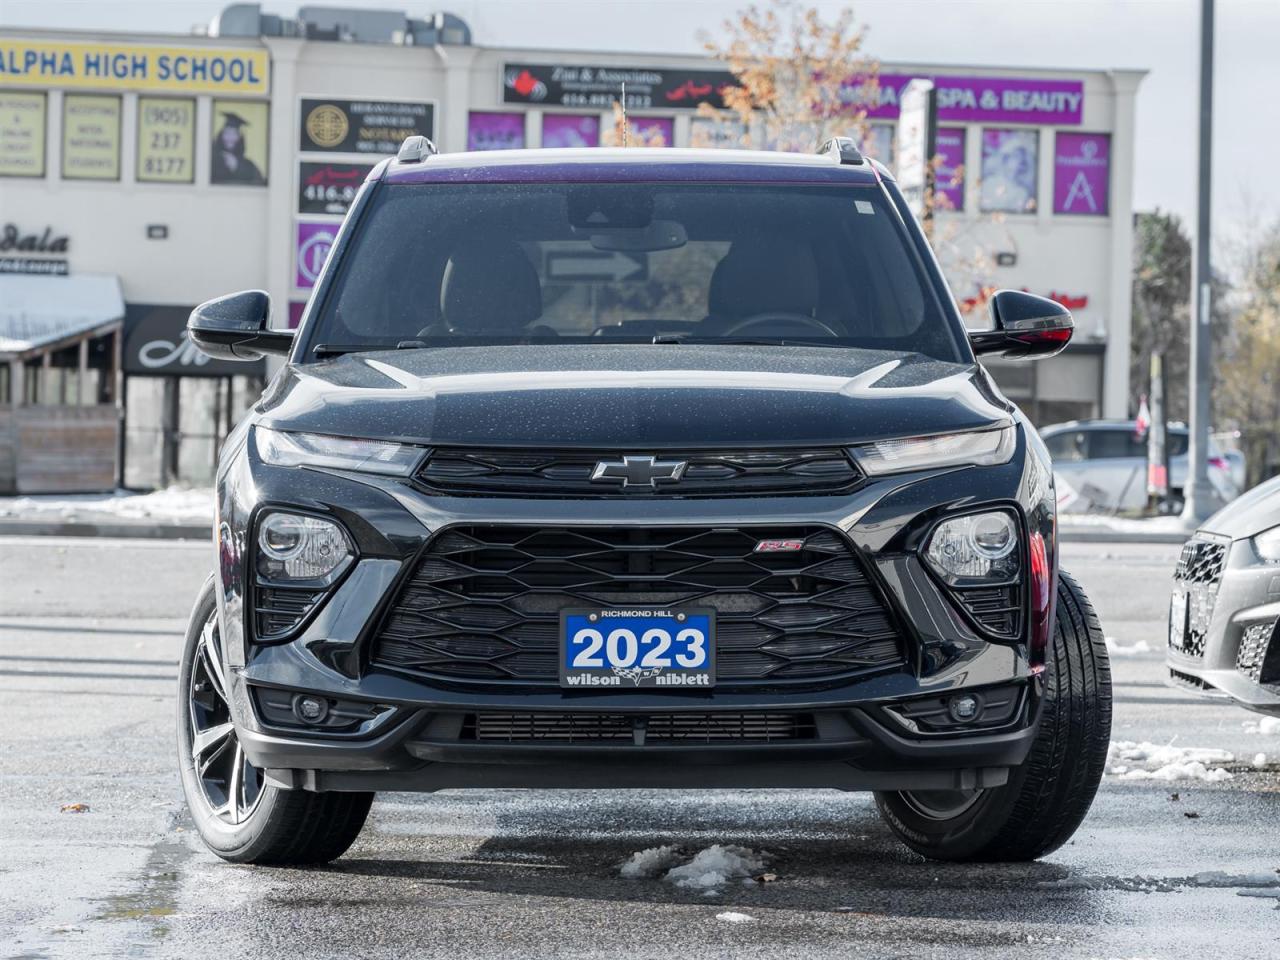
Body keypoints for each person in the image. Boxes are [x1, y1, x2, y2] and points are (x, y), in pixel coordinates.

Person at [212, 111, 265, 185]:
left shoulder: (248, 166)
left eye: (234, 134)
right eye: (227, 133)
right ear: (221, 135)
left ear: (240, 138)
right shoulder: (211, 160)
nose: (230, 138)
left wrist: (237, 167)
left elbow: (260, 183)